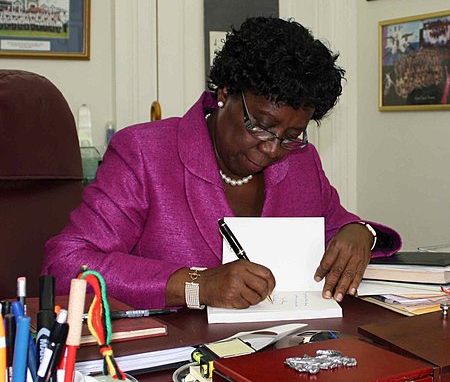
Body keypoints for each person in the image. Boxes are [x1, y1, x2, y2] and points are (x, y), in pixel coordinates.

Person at [43, 17, 401, 310]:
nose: (274, 149)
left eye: (292, 133)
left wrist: (360, 234)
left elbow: (339, 228)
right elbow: (67, 263)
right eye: (260, 125)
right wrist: (195, 284)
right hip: (176, 360)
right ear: (225, 92)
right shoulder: (144, 153)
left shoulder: (301, 160)